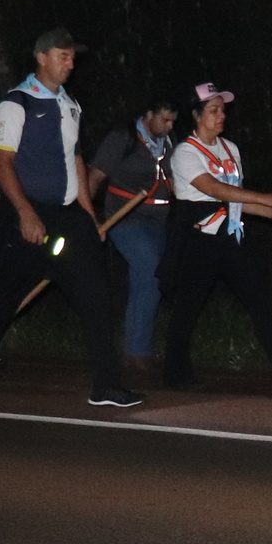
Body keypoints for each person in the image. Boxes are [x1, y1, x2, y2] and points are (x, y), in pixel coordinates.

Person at [0, 28, 141, 409]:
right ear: (41, 57)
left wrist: (88, 213)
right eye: (63, 56)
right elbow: (1, 163)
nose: (71, 64)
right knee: (5, 296)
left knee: (97, 297)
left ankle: (106, 385)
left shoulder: (71, 105)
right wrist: (25, 214)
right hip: (29, 214)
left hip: (70, 217)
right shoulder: (15, 103)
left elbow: (76, 159)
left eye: (73, 57)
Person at [157, 83, 272, 392]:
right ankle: (175, 373)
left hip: (230, 237)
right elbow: (213, 189)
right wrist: (266, 198)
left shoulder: (231, 149)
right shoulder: (185, 153)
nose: (221, 116)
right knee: (188, 308)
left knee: (257, 299)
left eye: (223, 110)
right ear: (196, 115)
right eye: (214, 110)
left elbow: (236, 201)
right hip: (199, 240)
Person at [86, 93, 179, 364]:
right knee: (149, 269)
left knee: (154, 277)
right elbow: (93, 178)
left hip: (159, 222)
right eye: (165, 120)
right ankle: (137, 350)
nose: (170, 126)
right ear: (148, 114)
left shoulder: (170, 143)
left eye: (173, 121)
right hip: (124, 219)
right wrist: (90, 218)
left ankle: (137, 343)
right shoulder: (122, 139)